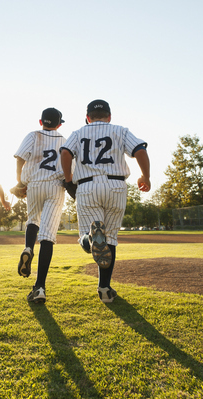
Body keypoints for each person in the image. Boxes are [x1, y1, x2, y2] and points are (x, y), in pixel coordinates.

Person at [60, 99, 150, 303]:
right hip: (116, 185)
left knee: (88, 233)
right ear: (109, 116)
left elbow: (65, 152)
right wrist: (146, 176)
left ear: (87, 117)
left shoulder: (78, 132)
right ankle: (104, 289)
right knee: (110, 239)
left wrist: (68, 180)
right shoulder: (120, 130)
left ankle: (90, 239)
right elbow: (140, 151)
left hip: (88, 186)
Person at [13, 108, 68, 304]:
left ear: (40, 121)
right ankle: (39, 287)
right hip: (55, 186)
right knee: (47, 236)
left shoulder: (33, 134)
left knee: (33, 219)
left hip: (34, 184)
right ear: (59, 124)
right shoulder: (65, 139)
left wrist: (20, 182)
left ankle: (28, 248)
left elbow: (20, 157)